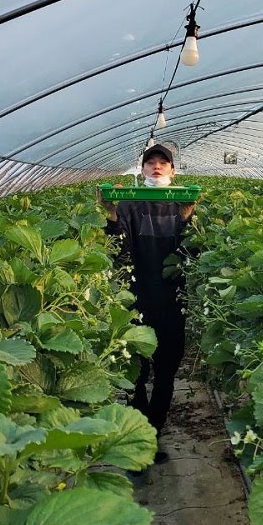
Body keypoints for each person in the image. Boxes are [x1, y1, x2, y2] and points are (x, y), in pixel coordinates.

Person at [98, 143, 196, 459]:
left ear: (172, 171)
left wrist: (188, 220)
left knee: (166, 369)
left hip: (172, 301)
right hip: (138, 299)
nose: (156, 167)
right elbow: (120, 255)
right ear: (141, 171)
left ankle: (153, 434)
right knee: (136, 371)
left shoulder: (184, 206)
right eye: (150, 163)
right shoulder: (129, 207)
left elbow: (192, 256)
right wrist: (112, 216)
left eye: (162, 163)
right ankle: (139, 435)